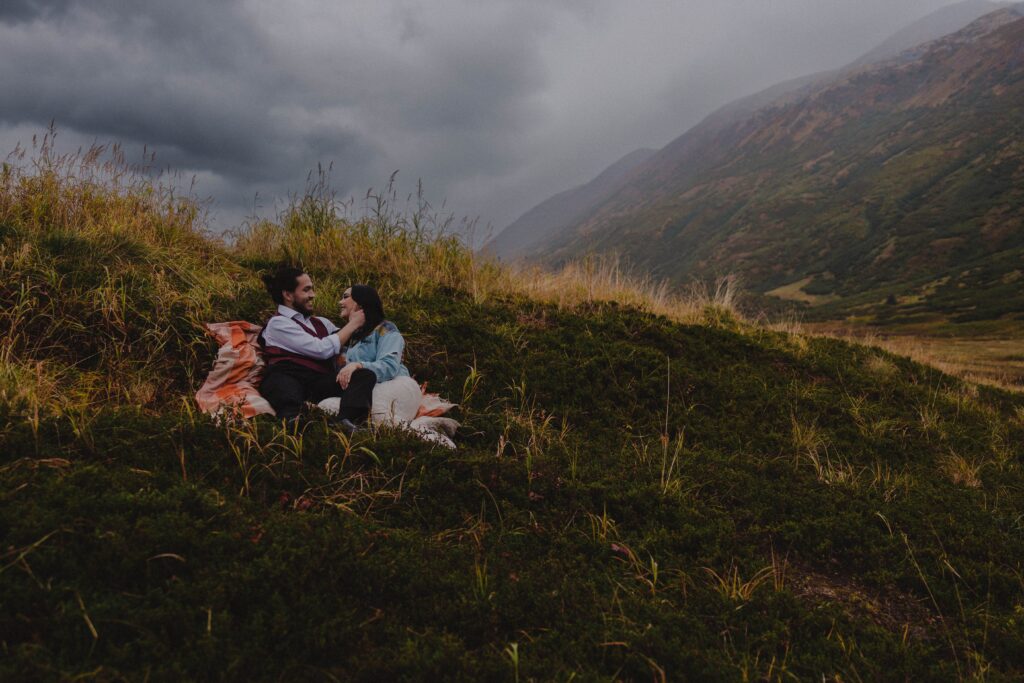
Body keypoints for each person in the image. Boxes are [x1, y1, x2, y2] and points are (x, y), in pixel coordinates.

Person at [257, 266, 377, 424]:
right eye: (306, 290)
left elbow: (346, 339)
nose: (312, 295)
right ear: (287, 295)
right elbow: (321, 349)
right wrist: (353, 324)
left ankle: (347, 421)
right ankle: (294, 420)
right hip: (287, 375)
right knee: (283, 387)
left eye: (312, 289)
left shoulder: (321, 322)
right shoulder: (278, 323)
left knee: (364, 376)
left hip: (318, 381)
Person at [335, 284, 411, 388]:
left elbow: (390, 365)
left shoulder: (385, 329)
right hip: (359, 389)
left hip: (391, 386)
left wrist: (359, 366)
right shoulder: (345, 335)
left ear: (360, 301)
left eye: (345, 297)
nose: (340, 302)